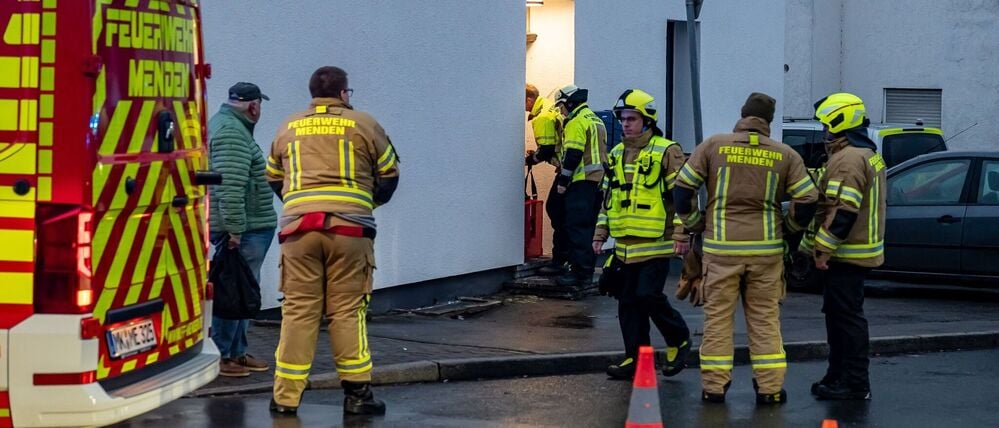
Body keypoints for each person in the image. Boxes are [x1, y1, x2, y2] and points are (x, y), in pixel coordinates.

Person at [266, 66, 399, 416]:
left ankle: (284, 399)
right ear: (344, 94)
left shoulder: (288, 126)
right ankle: (357, 395)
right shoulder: (364, 124)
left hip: (297, 232)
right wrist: (366, 205)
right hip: (349, 231)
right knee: (346, 311)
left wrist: (299, 207)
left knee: (297, 312)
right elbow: (389, 175)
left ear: (312, 95)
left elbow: (273, 178)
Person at [673, 92, 818, 404]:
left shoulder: (713, 146)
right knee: (765, 320)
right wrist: (789, 230)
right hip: (766, 253)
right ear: (768, 121)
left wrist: (696, 223)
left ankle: (713, 388)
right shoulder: (785, 154)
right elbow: (807, 198)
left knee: (717, 321)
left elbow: (682, 189)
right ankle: (770, 389)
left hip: (720, 250)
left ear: (742, 116)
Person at [593, 89, 691, 380]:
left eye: (632, 118)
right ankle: (634, 359)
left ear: (648, 120)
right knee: (628, 304)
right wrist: (600, 233)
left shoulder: (667, 151)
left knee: (647, 296)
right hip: (624, 246)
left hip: (657, 244)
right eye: (623, 119)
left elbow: (682, 197)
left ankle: (678, 337)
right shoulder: (616, 153)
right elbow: (608, 199)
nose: (625, 124)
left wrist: (681, 234)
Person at [803, 92, 885, 401]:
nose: (824, 133)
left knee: (846, 320)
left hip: (846, 254)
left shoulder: (848, 159)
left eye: (826, 126)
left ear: (839, 122)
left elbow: (843, 210)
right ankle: (838, 375)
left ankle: (853, 382)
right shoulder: (864, 154)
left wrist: (823, 250)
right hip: (857, 252)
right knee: (840, 317)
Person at [207, 82, 277, 377]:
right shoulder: (232, 134)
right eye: (259, 105)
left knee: (242, 291)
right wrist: (235, 230)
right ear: (253, 106)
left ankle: (236, 352)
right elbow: (229, 187)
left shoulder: (231, 128)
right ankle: (224, 356)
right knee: (232, 293)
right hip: (244, 229)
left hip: (249, 227)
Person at [551, 84, 607, 287]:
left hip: (581, 181)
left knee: (577, 227)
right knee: (588, 227)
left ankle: (578, 274)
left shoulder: (575, 121)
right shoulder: (594, 118)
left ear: (570, 103)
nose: (560, 111)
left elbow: (573, 154)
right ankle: (586, 270)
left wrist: (563, 181)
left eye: (561, 106)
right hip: (596, 182)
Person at [524, 84, 566, 275]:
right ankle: (564, 259)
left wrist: (529, 160)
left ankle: (560, 260)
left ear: (529, 100)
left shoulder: (541, 117)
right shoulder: (550, 107)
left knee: (555, 210)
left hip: (569, 171)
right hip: (571, 169)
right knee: (561, 213)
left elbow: (547, 149)